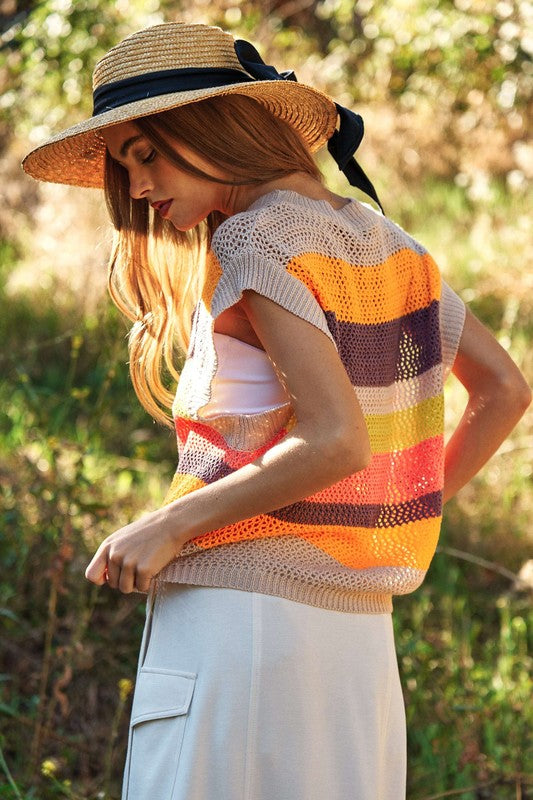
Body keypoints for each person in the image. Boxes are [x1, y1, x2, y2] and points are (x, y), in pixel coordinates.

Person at [22, 21, 530, 800]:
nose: (141, 187)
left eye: (146, 152)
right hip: (353, 638)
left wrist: (166, 525)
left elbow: (333, 440)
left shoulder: (256, 239)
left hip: (240, 623)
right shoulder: (390, 241)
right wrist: (387, 507)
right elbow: (503, 390)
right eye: (126, 167)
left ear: (210, 126)